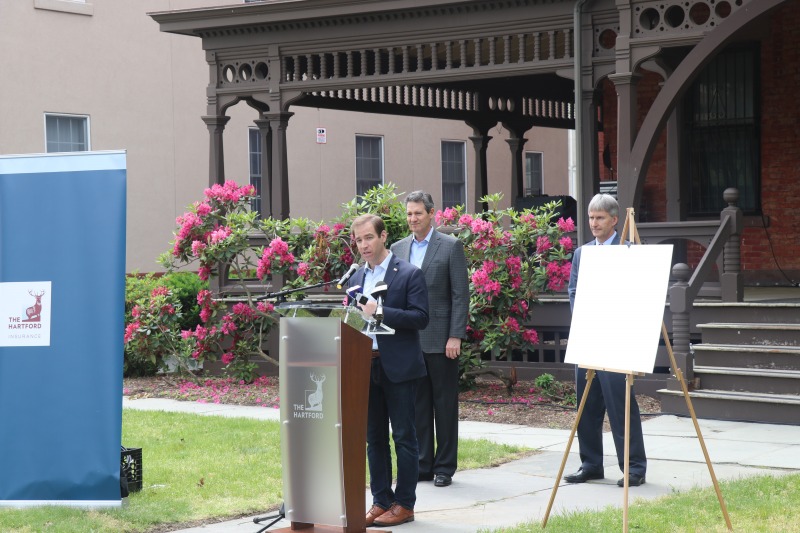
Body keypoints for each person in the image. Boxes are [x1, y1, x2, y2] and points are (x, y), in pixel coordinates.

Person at [347, 213, 430, 527]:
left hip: (398, 366)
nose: (364, 245)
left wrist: (380, 311)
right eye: (359, 240)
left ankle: (405, 504)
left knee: (405, 437)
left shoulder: (408, 273)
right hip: (364, 365)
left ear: (383, 237)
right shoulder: (356, 277)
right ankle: (381, 500)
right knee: (374, 438)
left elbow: (420, 317)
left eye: (369, 237)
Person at [565, 193, 647, 487]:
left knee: (620, 406)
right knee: (586, 406)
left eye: (600, 218)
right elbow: (573, 291)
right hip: (587, 339)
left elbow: (638, 294)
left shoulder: (628, 251)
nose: (594, 223)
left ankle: (634, 468)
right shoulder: (581, 253)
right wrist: (585, 321)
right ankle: (590, 464)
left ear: (614, 220)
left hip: (617, 342)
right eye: (591, 217)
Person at [391, 191, 469, 488]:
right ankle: (423, 464)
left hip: (441, 340)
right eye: (409, 214)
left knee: (444, 405)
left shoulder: (450, 246)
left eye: (418, 213)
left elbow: (460, 295)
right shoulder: (398, 249)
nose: (412, 219)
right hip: (409, 340)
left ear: (431, 213)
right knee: (417, 406)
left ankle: (444, 467)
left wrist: (455, 335)